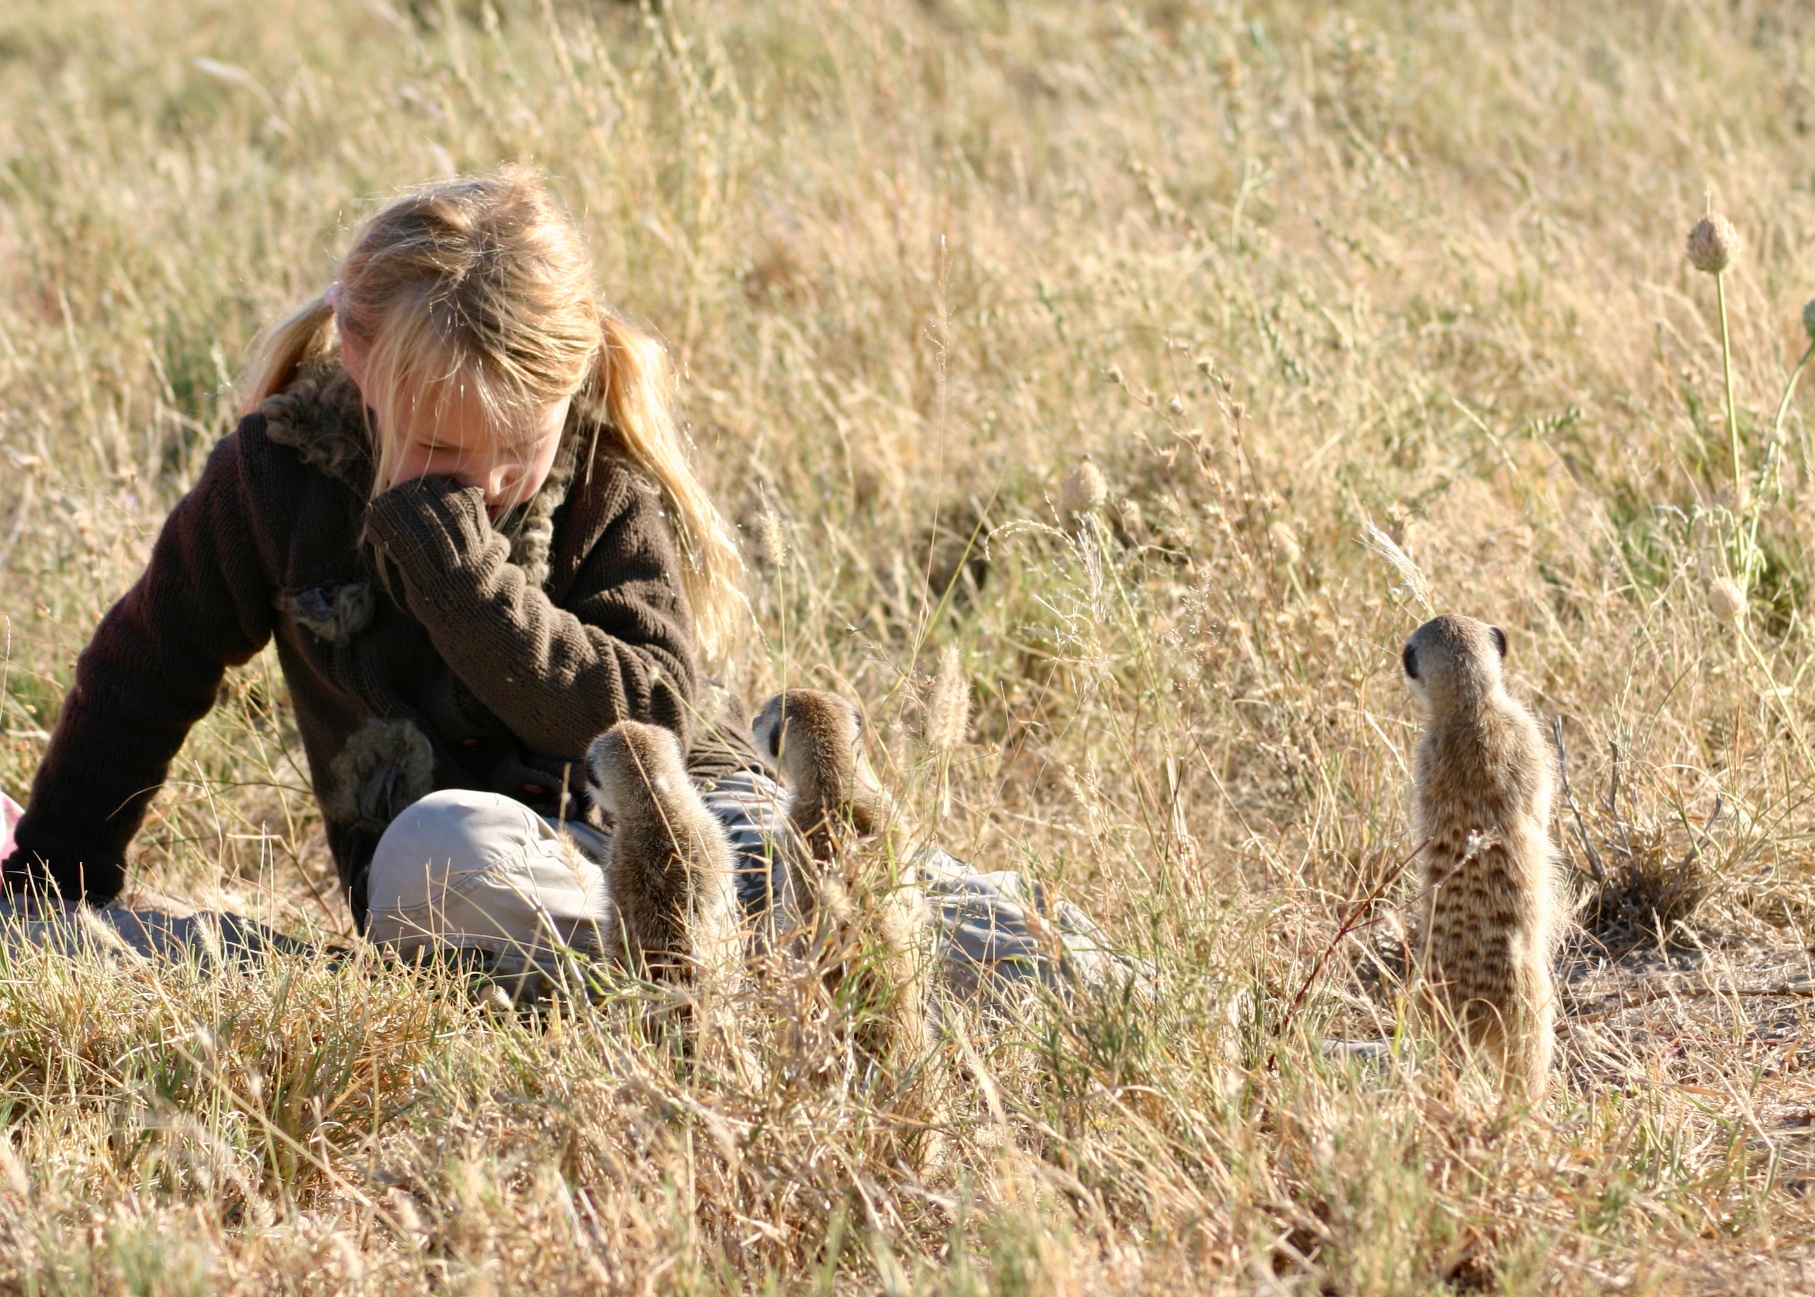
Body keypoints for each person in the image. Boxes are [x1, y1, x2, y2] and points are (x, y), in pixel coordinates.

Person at [1, 166, 1150, 1004]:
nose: (494, 483)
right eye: (450, 453)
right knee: (434, 844)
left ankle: (1152, 1008)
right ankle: (745, 986)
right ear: (360, 359)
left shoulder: (602, 472)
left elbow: (645, 717)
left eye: (522, 448)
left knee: (948, 913)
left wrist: (466, 579)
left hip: (689, 832)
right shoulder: (279, 474)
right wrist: (52, 884)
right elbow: (147, 668)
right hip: (508, 878)